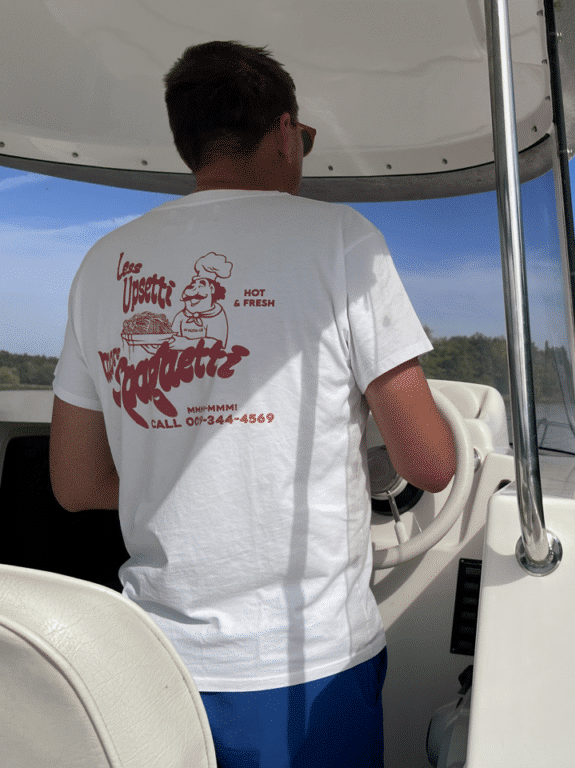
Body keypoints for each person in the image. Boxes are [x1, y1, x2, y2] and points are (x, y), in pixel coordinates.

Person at [49, 40, 456, 767]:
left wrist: (186, 485)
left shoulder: (100, 266)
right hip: (309, 666)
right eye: (302, 139)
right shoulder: (341, 240)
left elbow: (75, 485)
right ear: (282, 132)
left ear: (187, 145)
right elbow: (429, 462)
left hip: (152, 663)